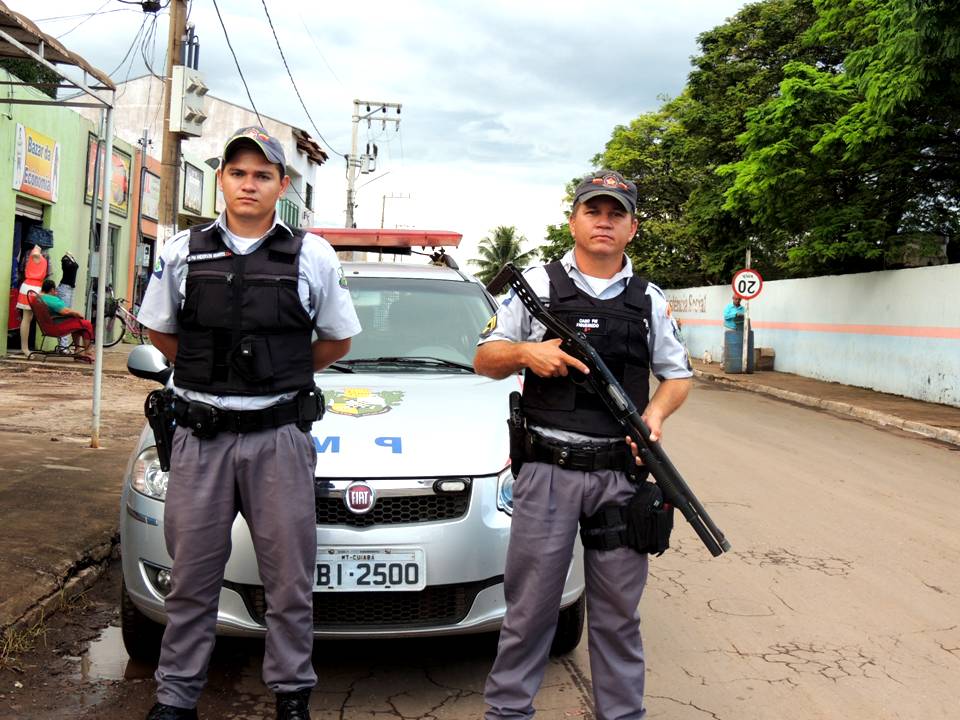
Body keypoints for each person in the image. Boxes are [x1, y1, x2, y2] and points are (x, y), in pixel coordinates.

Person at [136, 126, 361, 720]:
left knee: (289, 581)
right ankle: (175, 698)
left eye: (262, 174)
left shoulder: (312, 254)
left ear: (281, 185)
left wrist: (274, 374)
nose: (249, 184)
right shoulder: (183, 251)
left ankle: (291, 694)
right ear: (222, 181)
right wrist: (208, 370)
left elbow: (335, 340)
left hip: (278, 439)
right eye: (237, 173)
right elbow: (159, 330)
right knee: (190, 579)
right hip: (200, 439)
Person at [474, 169, 693, 720]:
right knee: (530, 610)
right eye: (593, 211)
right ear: (573, 220)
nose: (604, 221)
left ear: (632, 227)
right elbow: (484, 358)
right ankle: (507, 712)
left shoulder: (650, 300)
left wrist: (655, 416)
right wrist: (528, 354)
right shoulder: (538, 285)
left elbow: (678, 375)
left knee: (619, 614)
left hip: (620, 476)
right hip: (548, 469)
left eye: (616, 213)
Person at [37, 279, 94, 359]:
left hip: (48, 326)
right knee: (86, 324)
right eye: (55, 290)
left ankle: (77, 349)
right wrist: (76, 313)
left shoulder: (39, 297)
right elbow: (65, 311)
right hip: (56, 327)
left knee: (78, 324)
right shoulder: (51, 299)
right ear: (52, 290)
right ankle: (88, 352)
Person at [15, 244, 47, 354]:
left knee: (28, 318)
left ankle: (25, 347)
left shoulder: (37, 254)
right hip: (31, 287)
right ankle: (24, 348)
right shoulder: (35, 254)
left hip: (34, 287)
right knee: (27, 318)